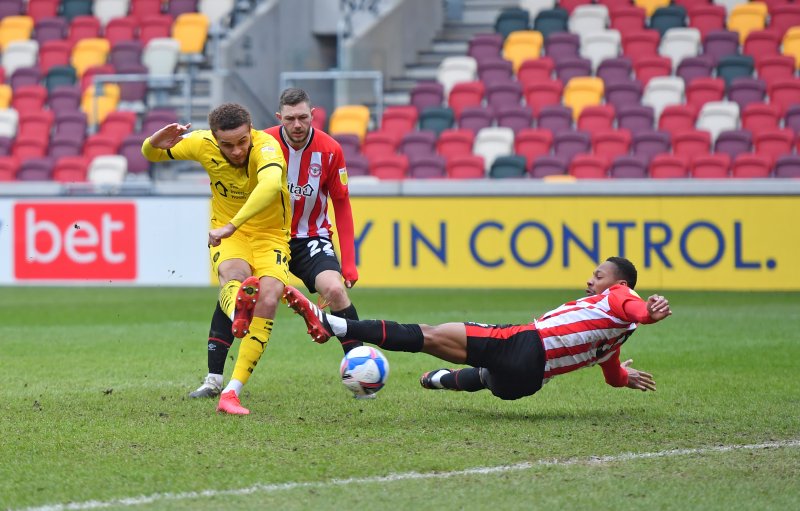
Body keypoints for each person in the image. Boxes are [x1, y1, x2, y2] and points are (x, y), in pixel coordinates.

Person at [284, 257, 671, 400]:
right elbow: (612, 374)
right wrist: (626, 378)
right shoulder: (614, 338)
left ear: (618, 282)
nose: (591, 281)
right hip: (526, 384)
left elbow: (636, 309)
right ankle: (437, 381)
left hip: (527, 344)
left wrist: (649, 312)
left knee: (431, 335)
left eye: (598, 275)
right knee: (486, 376)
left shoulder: (619, 296)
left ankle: (333, 322)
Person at [188, 87, 364, 399]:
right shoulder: (259, 142)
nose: (297, 125)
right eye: (291, 118)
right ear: (279, 118)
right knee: (236, 288)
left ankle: (362, 371)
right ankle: (214, 378)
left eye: (303, 118)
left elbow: (342, 203)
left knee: (335, 290)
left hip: (309, 237)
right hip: (264, 235)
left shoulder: (331, 150)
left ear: (313, 116)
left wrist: (348, 262)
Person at [141, 103, 291, 415]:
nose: (237, 151)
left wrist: (231, 224)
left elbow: (270, 185)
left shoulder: (267, 146)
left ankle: (232, 390)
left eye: (242, 142)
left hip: (269, 234)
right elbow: (151, 155)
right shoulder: (201, 143)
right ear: (214, 138)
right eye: (227, 144)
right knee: (233, 276)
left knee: (269, 298)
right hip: (231, 235)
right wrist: (156, 140)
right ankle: (237, 312)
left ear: (250, 132)